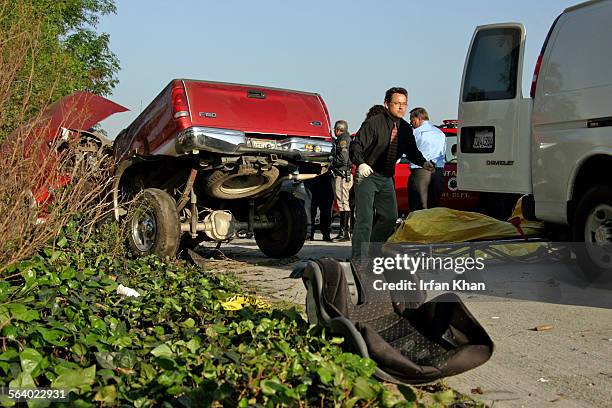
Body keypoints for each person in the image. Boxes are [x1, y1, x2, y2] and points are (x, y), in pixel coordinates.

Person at [349, 87, 434, 261]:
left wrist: (424, 162)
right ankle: (359, 259)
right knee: (365, 219)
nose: (401, 107)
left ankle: (372, 250)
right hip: (368, 175)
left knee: (390, 217)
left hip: (386, 177)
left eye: (404, 104)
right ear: (387, 104)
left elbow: (412, 151)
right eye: (397, 103)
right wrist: (361, 163)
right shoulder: (374, 123)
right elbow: (355, 146)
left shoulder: (405, 128)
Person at [408, 107, 446, 211]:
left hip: (421, 172)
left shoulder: (415, 133)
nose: (411, 123)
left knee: (419, 207)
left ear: (419, 118)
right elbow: (443, 153)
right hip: (438, 171)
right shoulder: (440, 133)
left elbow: (407, 151)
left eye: (412, 120)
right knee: (434, 207)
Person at [330, 120, 353, 242]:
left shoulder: (343, 141)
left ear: (339, 130)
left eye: (335, 129)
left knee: (343, 203)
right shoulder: (346, 139)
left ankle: (344, 233)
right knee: (343, 202)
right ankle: (344, 232)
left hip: (341, 174)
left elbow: (344, 159)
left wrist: (332, 161)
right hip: (344, 174)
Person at [304, 172, 334, 242]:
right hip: (314, 178)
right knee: (312, 208)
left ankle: (312, 233)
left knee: (323, 209)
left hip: (317, 178)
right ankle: (310, 233)